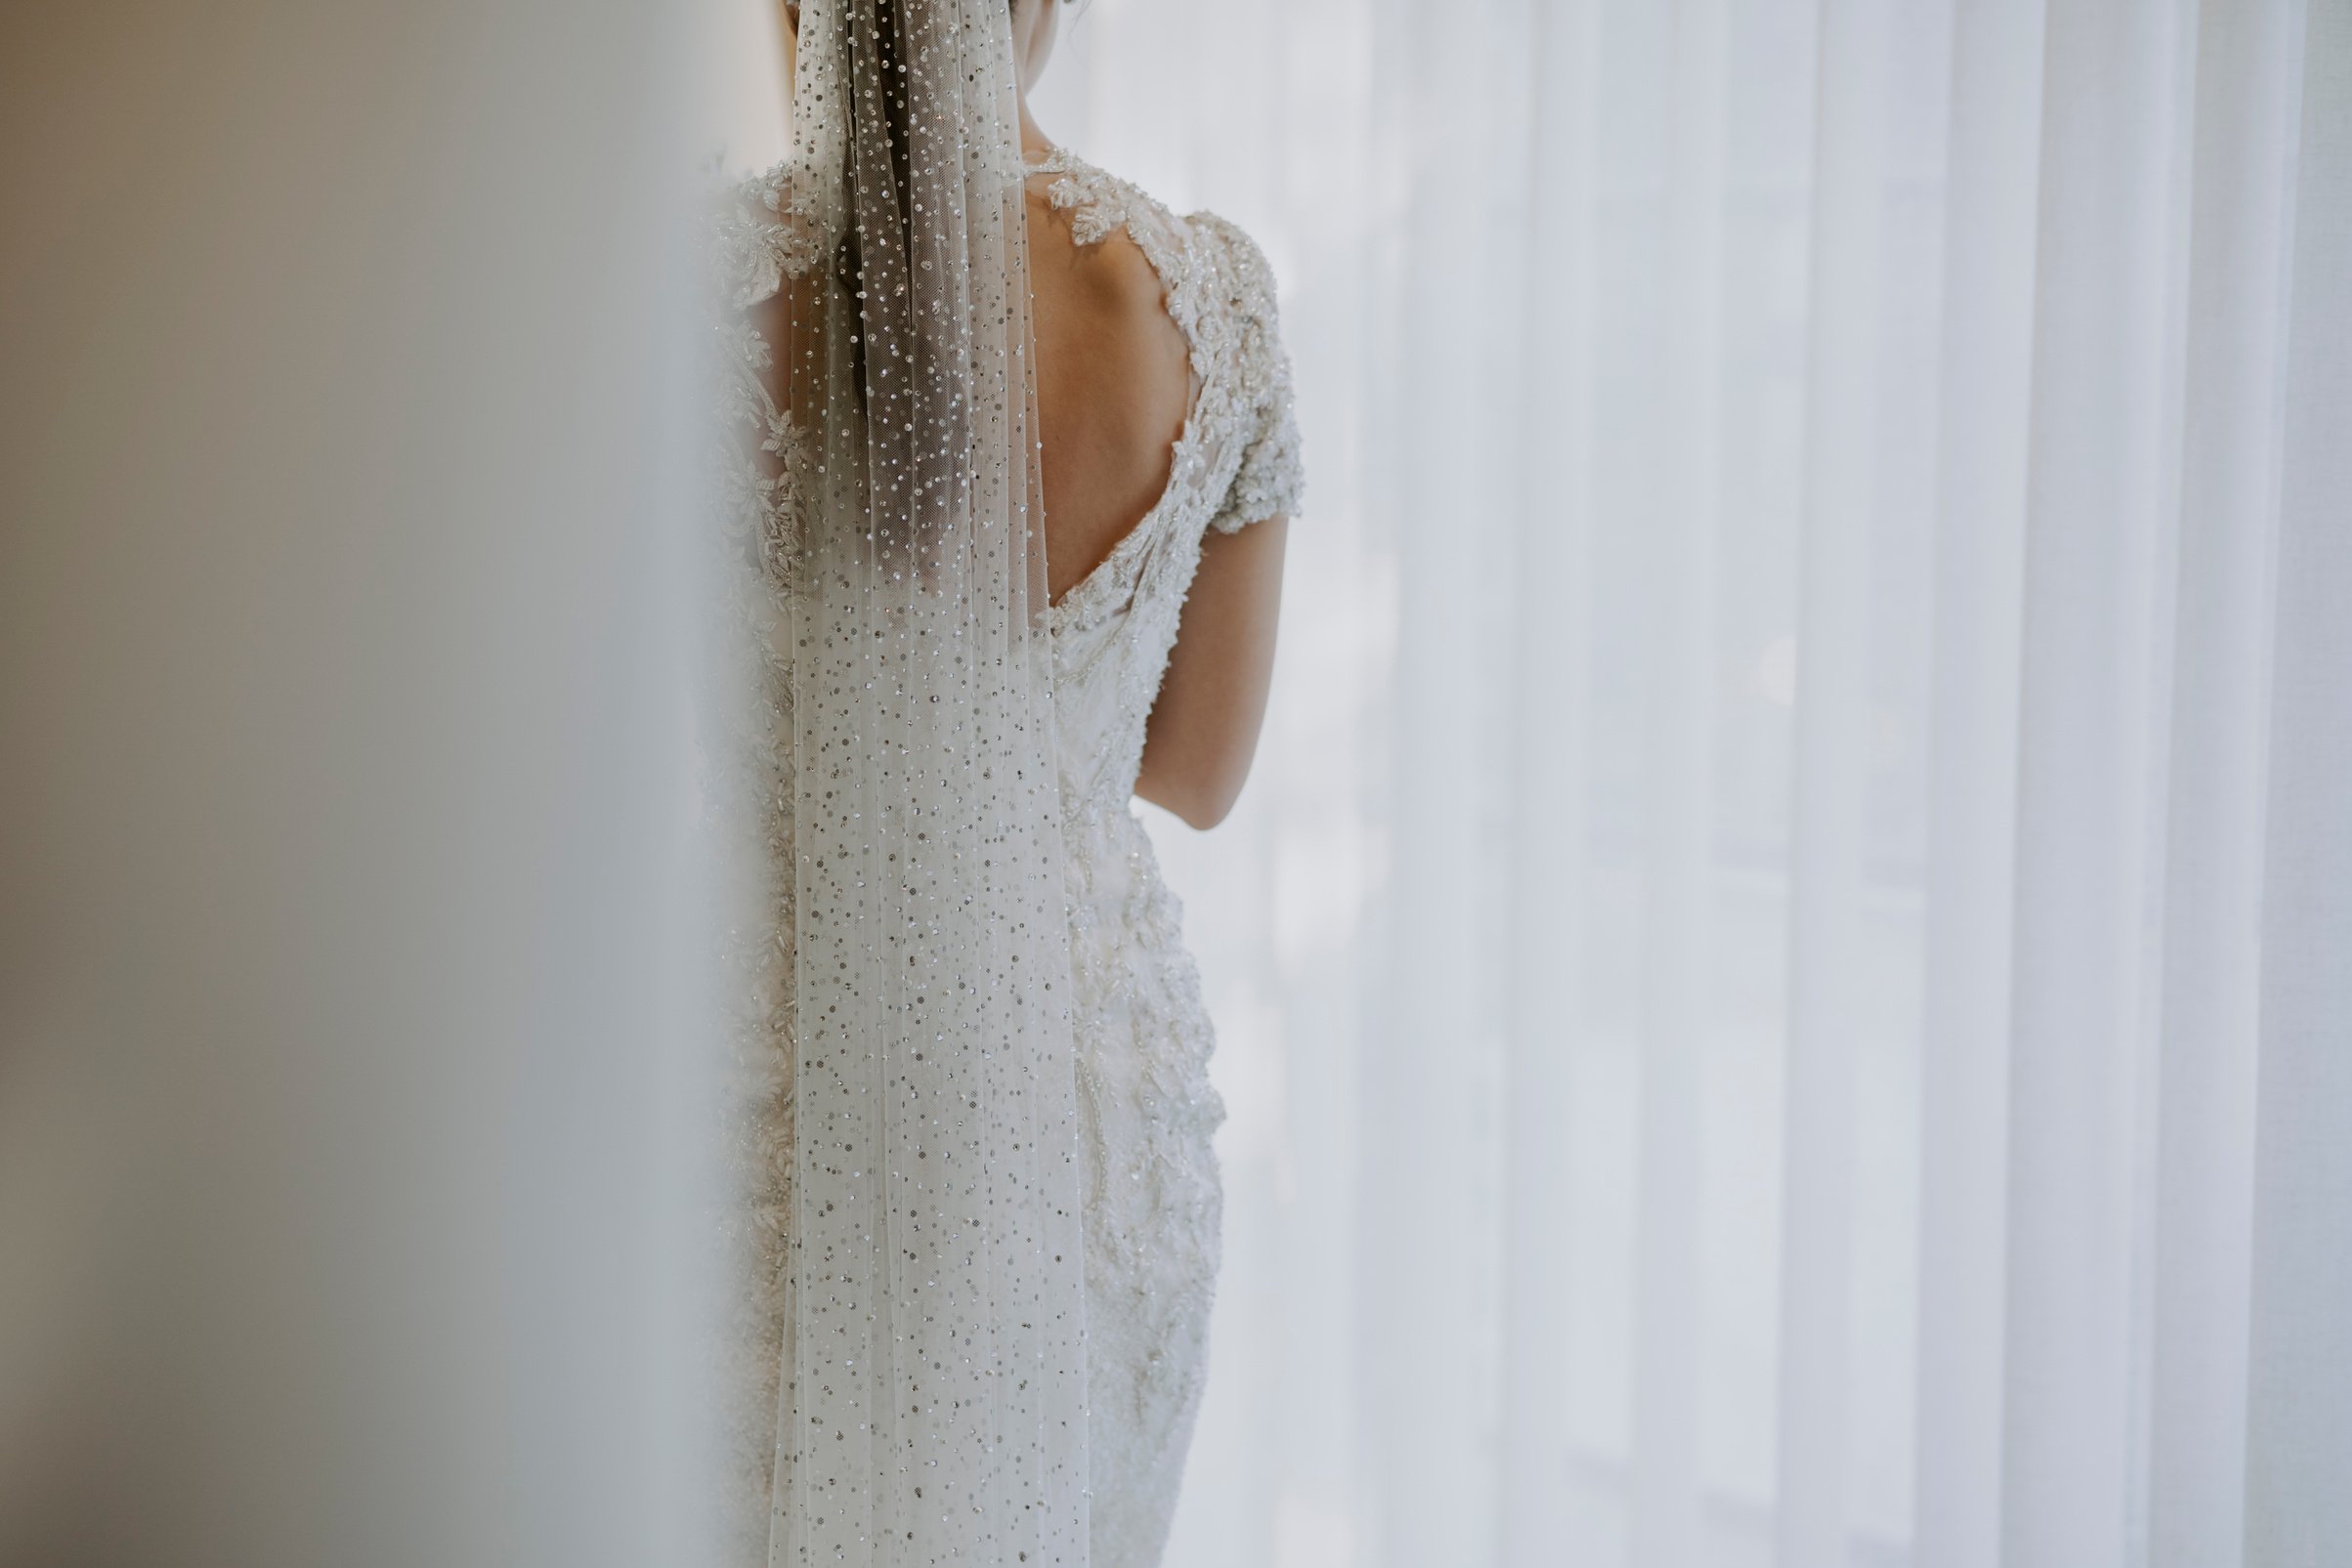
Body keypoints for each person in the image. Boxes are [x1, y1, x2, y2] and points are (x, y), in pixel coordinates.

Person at [716, 0, 1301, 1560]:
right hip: (1085, 1122)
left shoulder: (692, 296)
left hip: (767, 1096)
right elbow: (1197, 771)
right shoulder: (1211, 305)